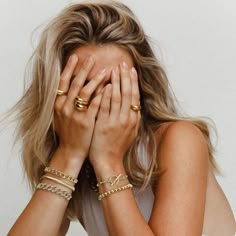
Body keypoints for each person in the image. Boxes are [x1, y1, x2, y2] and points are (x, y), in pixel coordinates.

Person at [7, 1, 236, 235]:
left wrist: (108, 161)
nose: (103, 100)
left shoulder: (179, 140)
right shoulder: (74, 158)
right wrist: (69, 154)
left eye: (116, 85)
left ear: (139, 85)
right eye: (85, 85)